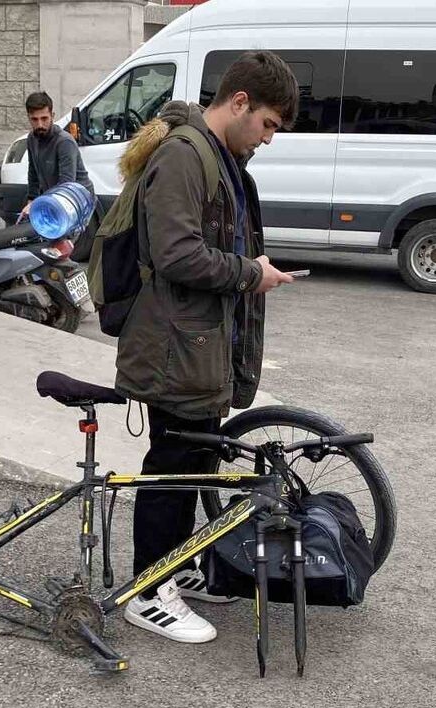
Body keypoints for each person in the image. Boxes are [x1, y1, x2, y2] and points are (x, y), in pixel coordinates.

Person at [113, 51, 299, 644]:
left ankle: (175, 567)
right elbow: (176, 253)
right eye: (268, 124)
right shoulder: (184, 158)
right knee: (171, 465)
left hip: (198, 345)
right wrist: (251, 273)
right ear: (239, 102)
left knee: (196, 461)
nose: (269, 139)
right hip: (174, 348)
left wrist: (250, 270)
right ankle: (147, 591)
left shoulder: (218, 156)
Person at [20, 91, 94, 220]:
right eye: (34, 119)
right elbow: (33, 173)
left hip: (78, 201)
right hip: (55, 197)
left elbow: (66, 183)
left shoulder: (64, 141)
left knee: (64, 238)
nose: (40, 125)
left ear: (52, 116)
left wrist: (41, 205)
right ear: (28, 117)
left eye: (44, 118)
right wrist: (31, 201)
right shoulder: (32, 138)